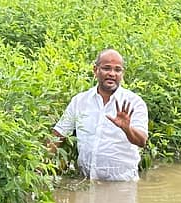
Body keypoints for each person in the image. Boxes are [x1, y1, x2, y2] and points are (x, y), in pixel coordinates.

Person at [51, 48, 149, 181]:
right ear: (95, 70)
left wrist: (127, 128)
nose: (112, 74)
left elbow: (142, 140)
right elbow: (58, 135)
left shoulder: (134, 103)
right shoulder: (80, 101)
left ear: (122, 74)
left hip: (122, 185)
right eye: (106, 68)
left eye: (117, 70)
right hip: (86, 182)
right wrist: (37, 169)